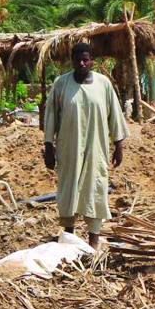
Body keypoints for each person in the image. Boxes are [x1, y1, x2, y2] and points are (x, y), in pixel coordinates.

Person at [43, 40, 127, 250]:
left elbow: (114, 115)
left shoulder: (103, 84)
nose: (81, 63)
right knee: (69, 188)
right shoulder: (61, 84)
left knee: (95, 188)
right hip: (68, 148)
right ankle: (69, 235)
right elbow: (51, 115)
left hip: (96, 148)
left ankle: (94, 238)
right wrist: (48, 146)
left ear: (91, 62)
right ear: (72, 61)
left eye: (85, 60)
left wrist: (118, 144)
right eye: (77, 60)